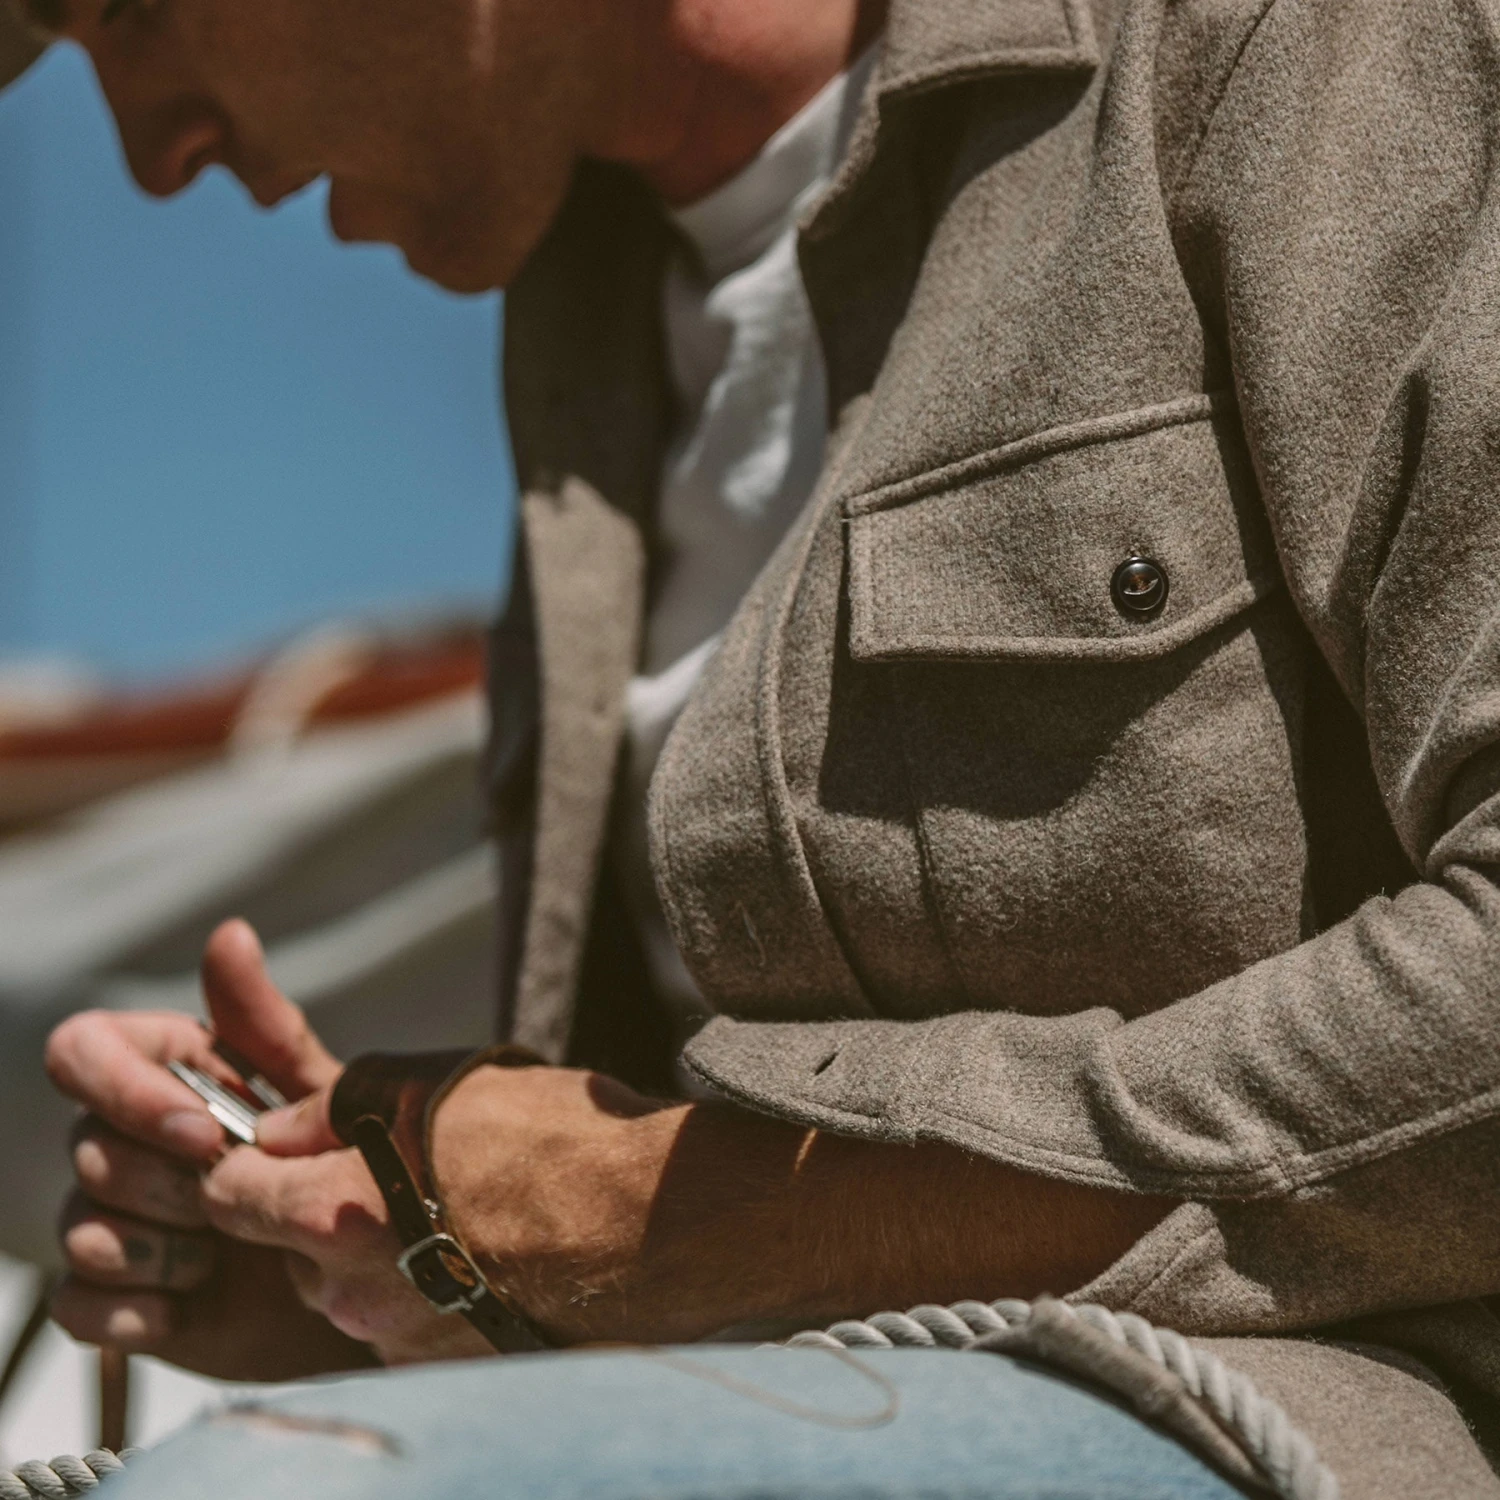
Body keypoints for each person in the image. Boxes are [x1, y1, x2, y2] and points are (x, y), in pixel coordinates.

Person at [17, 0, 1500, 1491]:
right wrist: (378, 1258)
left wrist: (683, 1209)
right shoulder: (588, 322)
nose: (154, 155)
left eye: (130, 14)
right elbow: (681, 1225)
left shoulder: (1280, 46)